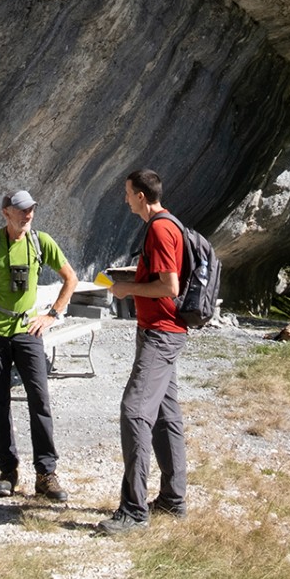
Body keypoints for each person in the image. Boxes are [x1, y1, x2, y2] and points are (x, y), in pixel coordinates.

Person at [0, 189, 77, 500]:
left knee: (39, 399)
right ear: (6, 213)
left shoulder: (41, 242)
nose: (28, 215)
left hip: (29, 332)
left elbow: (71, 278)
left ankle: (46, 473)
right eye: (22, 210)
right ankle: (7, 470)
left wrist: (51, 315)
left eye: (31, 210)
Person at [98, 167, 188, 534]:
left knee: (134, 410)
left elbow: (169, 286)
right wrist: (132, 281)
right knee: (166, 416)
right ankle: (172, 499)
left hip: (161, 334)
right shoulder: (166, 225)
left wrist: (127, 290)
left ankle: (134, 511)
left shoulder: (161, 229)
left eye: (127, 192)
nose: (124, 199)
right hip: (160, 331)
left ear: (140, 196)